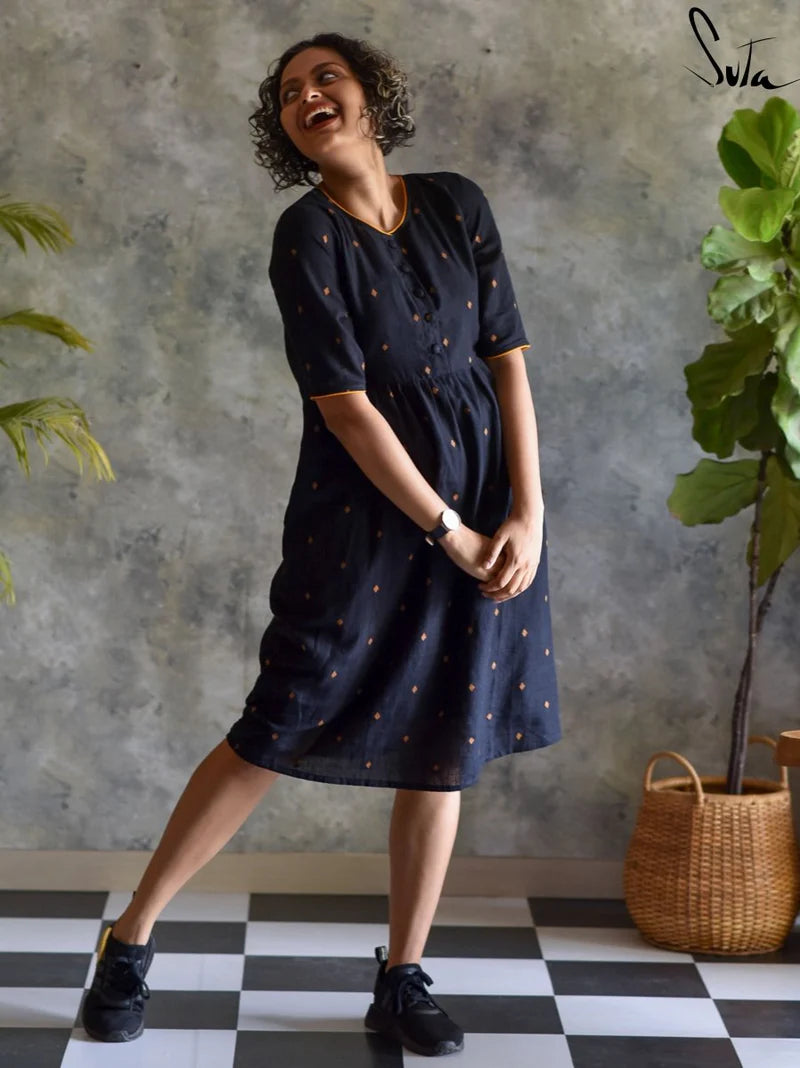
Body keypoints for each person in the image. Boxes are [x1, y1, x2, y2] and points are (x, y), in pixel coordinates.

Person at [80, 30, 561, 1058]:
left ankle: (400, 975)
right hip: (366, 525)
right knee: (278, 721)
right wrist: (446, 529)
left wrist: (526, 512)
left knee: (445, 738)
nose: (308, 96)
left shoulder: (457, 203)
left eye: (325, 77)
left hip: (487, 507)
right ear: (286, 132)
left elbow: (508, 362)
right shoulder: (304, 236)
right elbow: (344, 408)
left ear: (369, 93)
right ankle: (129, 938)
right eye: (290, 93)